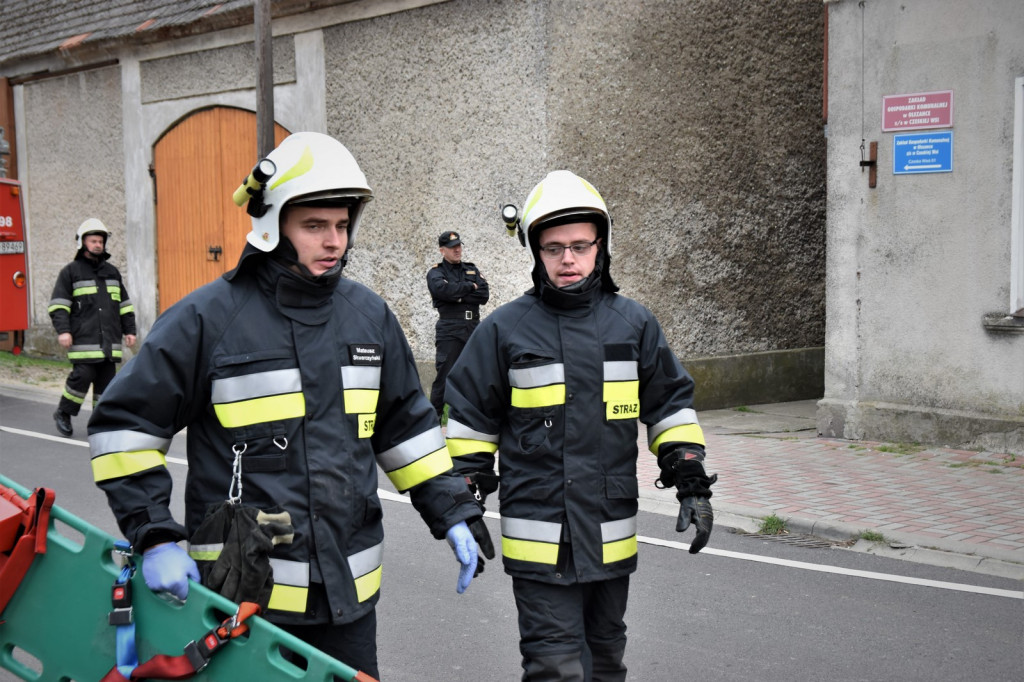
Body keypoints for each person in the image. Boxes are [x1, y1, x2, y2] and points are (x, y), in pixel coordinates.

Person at [87, 132, 482, 679]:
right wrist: (154, 532)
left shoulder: (369, 317)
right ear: (273, 226)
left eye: (341, 225)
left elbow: (406, 429)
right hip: (245, 599)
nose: (333, 241)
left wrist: (451, 510)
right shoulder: (208, 319)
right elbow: (124, 429)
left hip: (346, 601)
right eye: (315, 226)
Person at [444, 170, 716, 681]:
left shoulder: (633, 325)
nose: (567, 259)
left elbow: (670, 404)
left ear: (600, 247)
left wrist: (690, 478)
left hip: (609, 534)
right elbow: (469, 424)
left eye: (579, 246)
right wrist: (465, 499)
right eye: (553, 248)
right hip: (539, 536)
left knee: (606, 663)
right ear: (535, 253)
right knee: (554, 668)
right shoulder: (503, 330)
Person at [47, 219, 137, 437]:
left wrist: (130, 330)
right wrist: (63, 331)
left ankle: (101, 424)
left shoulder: (113, 273)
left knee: (106, 387)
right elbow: (58, 305)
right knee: (82, 376)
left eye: (100, 241)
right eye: (93, 241)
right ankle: (63, 412)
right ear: (82, 243)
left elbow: (124, 305)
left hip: (109, 343)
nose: (98, 245)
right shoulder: (70, 272)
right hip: (83, 341)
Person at [426, 230, 489, 419]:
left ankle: (470, 420)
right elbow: (443, 291)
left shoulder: (471, 269)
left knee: (476, 376)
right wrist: (470, 287)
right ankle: (433, 422)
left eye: (459, 246)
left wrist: (457, 295)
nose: (457, 250)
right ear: (442, 250)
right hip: (450, 328)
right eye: (453, 247)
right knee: (445, 378)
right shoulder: (436, 272)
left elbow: (484, 295)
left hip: (473, 328)